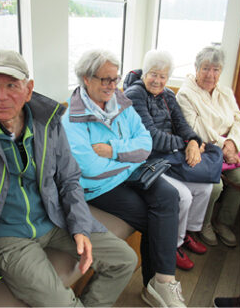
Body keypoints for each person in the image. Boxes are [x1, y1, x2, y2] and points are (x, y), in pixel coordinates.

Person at [0, 48, 136, 307]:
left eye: (12, 85)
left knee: (125, 260)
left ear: (28, 89)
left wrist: (80, 225)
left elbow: (69, 178)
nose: (1, 96)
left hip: (53, 218)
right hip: (6, 236)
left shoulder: (47, 122)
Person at [63, 49, 185, 308]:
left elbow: (145, 144)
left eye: (115, 79)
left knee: (169, 195)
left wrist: (113, 150)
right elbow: (90, 168)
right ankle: (157, 286)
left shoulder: (120, 101)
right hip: (101, 187)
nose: (111, 86)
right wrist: (129, 156)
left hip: (133, 172)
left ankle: (161, 282)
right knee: (157, 218)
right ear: (86, 78)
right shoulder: (72, 118)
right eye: (104, 79)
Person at [124, 49, 213, 270]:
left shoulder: (168, 95)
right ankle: (173, 244)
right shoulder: (135, 95)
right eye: (153, 74)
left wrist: (193, 139)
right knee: (182, 196)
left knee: (205, 187)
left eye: (163, 76)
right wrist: (184, 144)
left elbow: (181, 124)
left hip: (169, 157)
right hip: (147, 160)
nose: (158, 80)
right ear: (145, 73)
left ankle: (187, 234)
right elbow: (150, 137)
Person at [175, 45, 240, 248]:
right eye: (205, 68)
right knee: (216, 187)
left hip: (229, 148)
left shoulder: (224, 92)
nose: (210, 75)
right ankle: (202, 225)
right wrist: (225, 145)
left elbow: (238, 120)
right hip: (202, 149)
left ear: (220, 71)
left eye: (215, 69)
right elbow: (197, 130)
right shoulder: (186, 95)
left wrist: (233, 143)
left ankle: (223, 222)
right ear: (196, 69)